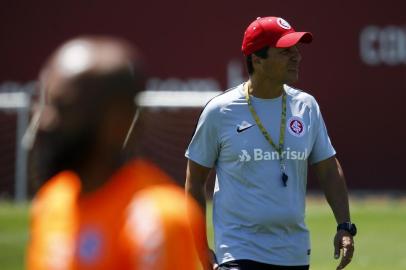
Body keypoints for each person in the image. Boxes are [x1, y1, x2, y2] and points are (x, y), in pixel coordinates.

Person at [185, 16, 356, 270]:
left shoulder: (306, 106)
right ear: (257, 59)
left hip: (294, 254)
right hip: (237, 251)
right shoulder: (220, 112)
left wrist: (344, 226)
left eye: (296, 50)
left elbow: (329, 170)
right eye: (286, 52)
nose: (297, 57)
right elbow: (195, 180)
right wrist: (199, 245)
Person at [25, 36, 207, 270]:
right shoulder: (50, 203)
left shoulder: (157, 220)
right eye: (45, 104)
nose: (44, 122)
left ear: (116, 121)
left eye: (62, 107)